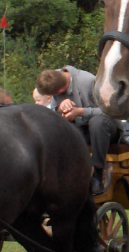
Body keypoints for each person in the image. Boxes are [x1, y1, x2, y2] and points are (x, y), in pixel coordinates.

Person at [37, 66, 123, 195]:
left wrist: (80, 112)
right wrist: (60, 108)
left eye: (56, 95)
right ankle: (70, 173)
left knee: (97, 122)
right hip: (82, 129)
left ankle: (98, 173)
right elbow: (55, 112)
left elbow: (110, 111)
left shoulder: (87, 81)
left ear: (61, 90)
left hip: (108, 129)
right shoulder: (54, 78)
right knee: (62, 127)